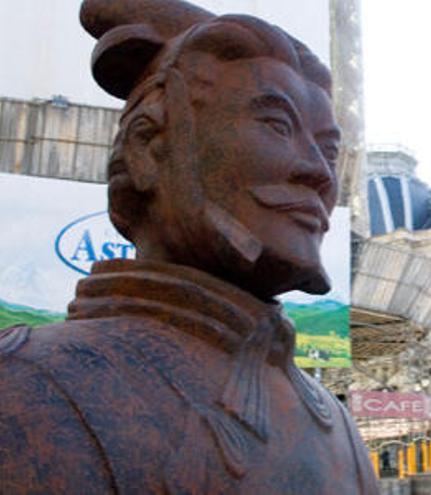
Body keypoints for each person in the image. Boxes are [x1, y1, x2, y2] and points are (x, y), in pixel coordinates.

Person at [0, 1, 379, 493]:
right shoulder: (26, 383)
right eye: (277, 125)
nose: (319, 172)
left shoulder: (336, 427)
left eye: (328, 149)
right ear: (146, 148)